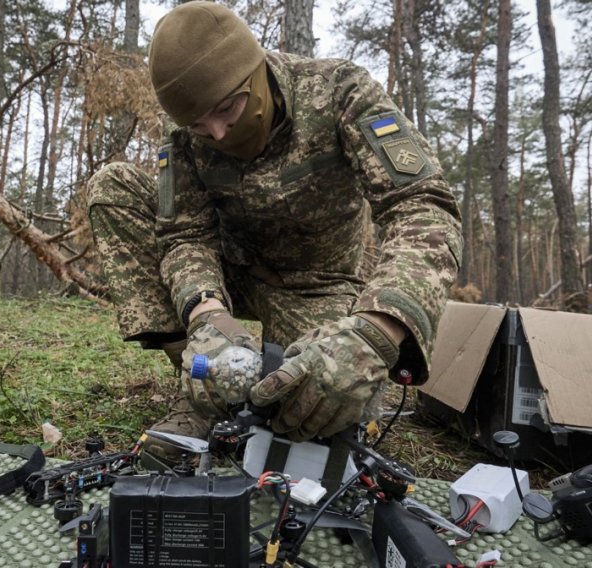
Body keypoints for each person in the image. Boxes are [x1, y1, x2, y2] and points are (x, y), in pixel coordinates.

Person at [86, 1, 462, 468]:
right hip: (228, 277)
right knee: (114, 187)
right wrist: (206, 318)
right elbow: (185, 233)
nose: (219, 133)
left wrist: (376, 334)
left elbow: (422, 206)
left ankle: (288, 381)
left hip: (316, 284)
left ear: (256, 69)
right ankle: (203, 392)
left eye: (228, 108)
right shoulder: (185, 132)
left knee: (317, 406)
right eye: (199, 126)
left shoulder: (340, 92)